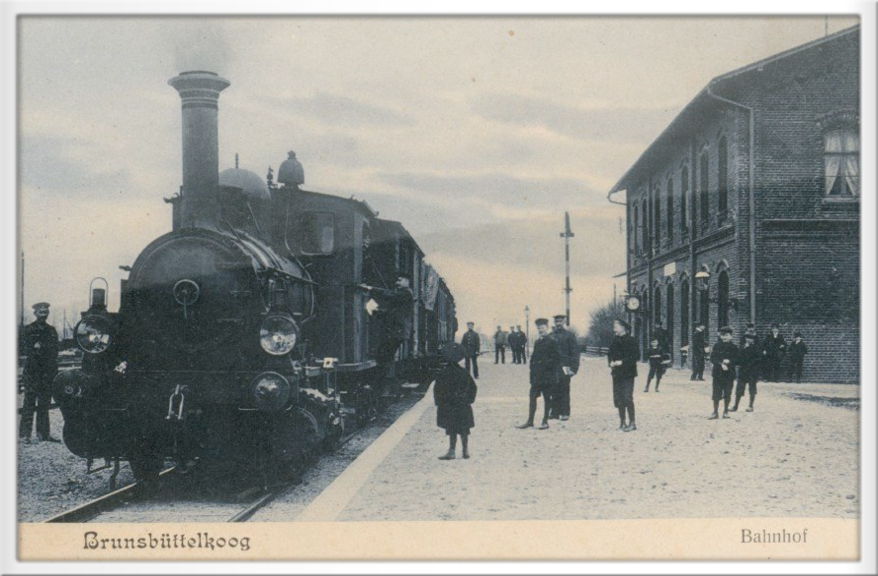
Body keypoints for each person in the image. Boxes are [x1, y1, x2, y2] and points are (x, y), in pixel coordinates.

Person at [19, 302, 60, 442]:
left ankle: (43, 434)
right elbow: (24, 349)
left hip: (47, 373)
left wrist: (42, 348)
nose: (44, 314)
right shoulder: (28, 329)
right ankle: (24, 435)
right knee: (29, 403)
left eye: (46, 312)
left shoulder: (51, 330)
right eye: (41, 312)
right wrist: (36, 348)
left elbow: (55, 350)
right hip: (33, 372)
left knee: (44, 404)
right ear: (35, 313)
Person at [433, 343, 478, 460]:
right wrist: (469, 400)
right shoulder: (464, 372)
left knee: (452, 428)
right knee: (464, 429)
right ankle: (465, 450)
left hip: (449, 406)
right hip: (463, 405)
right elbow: (473, 388)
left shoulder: (443, 373)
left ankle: (452, 451)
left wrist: (440, 403)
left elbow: (438, 389)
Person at [359, 277, 414, 365]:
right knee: (385, 356)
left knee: (384, 356)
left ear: (407, 281)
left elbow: (389, 295)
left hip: (396, 331)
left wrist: (371, 288)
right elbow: (392, 313)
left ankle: (383, 372)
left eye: (400, 280)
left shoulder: (406, 294)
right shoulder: (403, 294)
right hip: (396, 331)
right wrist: (376, 311)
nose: (397, 283)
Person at [517, 318, 559, 430]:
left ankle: (545, 421)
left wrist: (545, 365)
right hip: (537, 376)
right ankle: (530, 421)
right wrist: (532, 370)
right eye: (539, 328)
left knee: (547, 398)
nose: (541, 330)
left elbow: (557, 358)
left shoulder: (553, 341)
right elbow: (534, 358)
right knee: (532, 397)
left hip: (547, 376)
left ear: (547, 328)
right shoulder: (537, 342)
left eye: (542, 328)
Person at [608, 319, 639, 431]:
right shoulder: (615, 340)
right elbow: (610, 354)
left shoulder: (632, 341)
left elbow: (636, 356)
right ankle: (622, 422)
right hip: (617, 373)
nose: (614, 328)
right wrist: (610, 362)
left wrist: (622, 362)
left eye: (616, 326)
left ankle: (632, 422)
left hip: (628, 373)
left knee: (627, 397)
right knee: (619, 398)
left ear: (623, 327)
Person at [550, 314, 580, 421]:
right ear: (554, 323)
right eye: (557, 321)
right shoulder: (550, 336)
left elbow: (575, 352)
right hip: (553, 367)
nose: (558, 323)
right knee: (553, 389)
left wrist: (574, 368)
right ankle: (554, 412)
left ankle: (565, 412)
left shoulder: (569, 335)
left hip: (565, 366)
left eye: (560, 321)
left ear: (563, 322)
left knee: (564, 389)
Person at [709, 326, 739, 420]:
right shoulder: (717, 346)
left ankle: (726, 411)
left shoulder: (734, 347)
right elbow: (713, 358)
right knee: (716, 393)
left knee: (727, 392)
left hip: (729, 374)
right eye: (722, 335)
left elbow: (738, 360)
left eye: (726, 335)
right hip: (718, 373)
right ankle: (715, 412)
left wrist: (730, 362)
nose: (724, 337)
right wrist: (720, 363)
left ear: (731, 336)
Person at [732, 331, 761, 412]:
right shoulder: (742, 348)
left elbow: (758, 359)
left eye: (751, 338)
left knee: (752, 388)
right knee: (739, 388)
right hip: (743, 371)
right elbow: (738, 358)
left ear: (754, 340)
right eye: (747, 338)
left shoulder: (757, 348)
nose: (748, 340)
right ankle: (735, 406)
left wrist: (751, 366)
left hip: (752, 371)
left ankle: (751, 406)